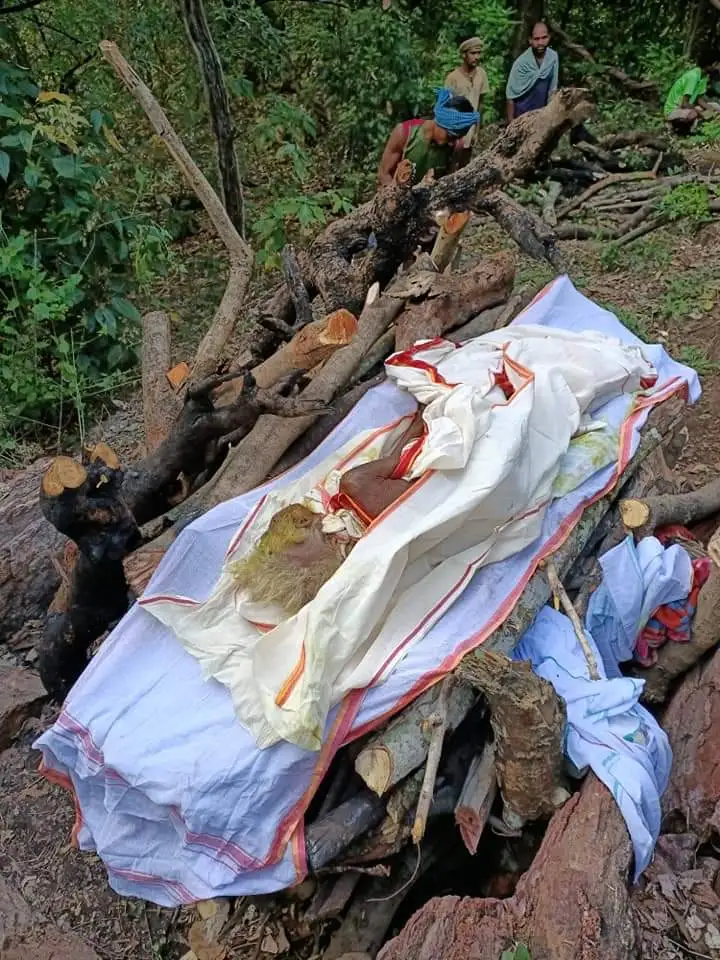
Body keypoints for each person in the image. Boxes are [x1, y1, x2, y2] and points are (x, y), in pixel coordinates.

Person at [377, 89, 479, 188]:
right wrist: (392, 193)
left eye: (457, 138)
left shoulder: (456, 147)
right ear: (440, 122)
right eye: (450, 136)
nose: (452, 143)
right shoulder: (404, 133)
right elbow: (384, 173)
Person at [444, 37, 489, 165]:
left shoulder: (481, 74)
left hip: (471, 128)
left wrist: (477, 131)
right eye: (473, 53)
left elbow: (480, 104)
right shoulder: (453, 78)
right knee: (451, 164)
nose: (477, 57)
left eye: (478, 53)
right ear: (464, 55)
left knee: (465, 164)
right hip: (455, 130)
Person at [505, 22, 559, 123]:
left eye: (544, 38)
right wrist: (511, 122)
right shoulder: (521, 63)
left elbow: (552, 89)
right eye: (536, 39)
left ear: (549, 37)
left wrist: (550, 115)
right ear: (530, 40)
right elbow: (510, 95)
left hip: (542, 115)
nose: (540, 43)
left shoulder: (553, 57)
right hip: (522, 117)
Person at [664, 64, 720, 135]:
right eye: (717, 64)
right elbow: (685, 104)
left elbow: (699, 100)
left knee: (715, 106)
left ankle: (702, 127)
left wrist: (711, 110)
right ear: (708, 65)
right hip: (673, 110)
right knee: (693, 113)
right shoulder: (693, 76)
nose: (718, 67)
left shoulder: (703, 77)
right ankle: (676, 128)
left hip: (686, 108)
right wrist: (703, 114)